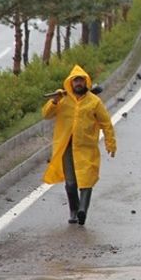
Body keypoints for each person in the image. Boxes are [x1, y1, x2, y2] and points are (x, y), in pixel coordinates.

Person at [42, 64, 116, 226]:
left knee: (86, 179)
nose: (78, 84)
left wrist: (110, 143)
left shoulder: (94, 102)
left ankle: (83, 210)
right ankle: (74, 210)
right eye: (75, 81)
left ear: (86, 82)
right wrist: (54, 102)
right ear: (70, 83)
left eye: (81, 80)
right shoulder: (62, 99)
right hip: (66, 146)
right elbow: (46, 115)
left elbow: (106, 123)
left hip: (86, 147)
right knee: (71, 182)